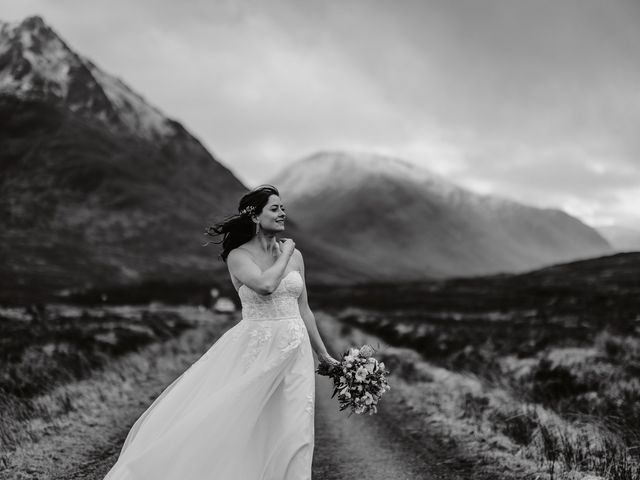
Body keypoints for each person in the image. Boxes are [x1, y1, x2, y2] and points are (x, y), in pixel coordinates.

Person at [103, 184, 340, 480]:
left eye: (283, 208)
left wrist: (323, 353)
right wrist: (286, 252)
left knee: (295, 428)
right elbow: (265, 286)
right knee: (247, 426)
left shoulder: (296, 257)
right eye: (275, 208)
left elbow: (304, 308)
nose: (283, 213)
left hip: (296, 351)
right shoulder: (239, 256)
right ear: (255, 216)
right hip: (257, 349)